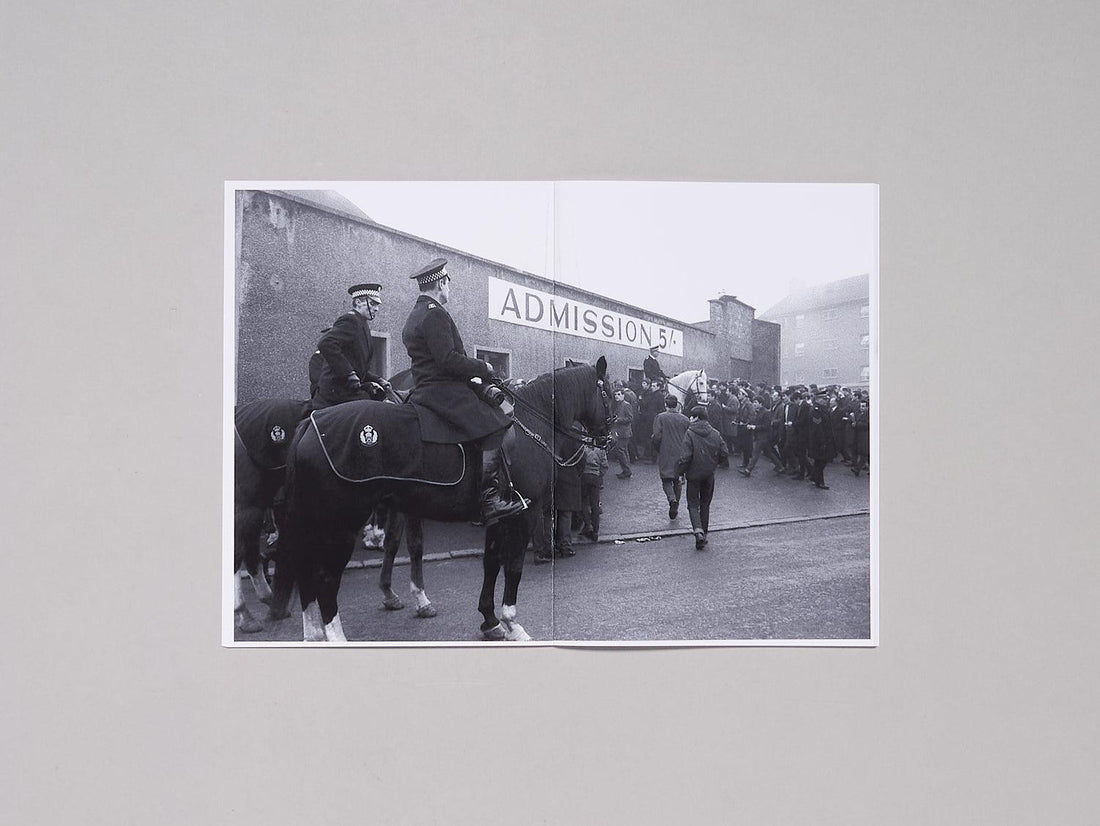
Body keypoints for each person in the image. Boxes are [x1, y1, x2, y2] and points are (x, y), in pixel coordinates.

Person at [401, 257, 525, 526]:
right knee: (496, 423)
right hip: (442, 390)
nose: (449, 289)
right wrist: (484, 366)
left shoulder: (415, 314)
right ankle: (490, 499)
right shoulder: (434, 314)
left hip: (425, 387)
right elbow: (448, 360)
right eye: (448, 283)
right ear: (440, 283)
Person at [312, 284, 391, 409]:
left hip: (350, 390)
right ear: (358, 302)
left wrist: (378, 379)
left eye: (377, 305)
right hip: (338, 392)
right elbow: (326, 343)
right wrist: (348, 373)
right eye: (372, 304)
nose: (376, 309)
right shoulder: (350, 320)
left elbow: (358, 367)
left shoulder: (362, 324)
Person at [676, 406, 729, 550]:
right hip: (709, 474)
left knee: (693, 504)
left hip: (693, 475)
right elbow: (724, 453)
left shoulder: (690, 433)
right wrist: (713, 463)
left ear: (696, 418)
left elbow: (685, 457)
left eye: (691, 417)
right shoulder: (715, 433)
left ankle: (698, 531)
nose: (690, 419)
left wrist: (681, 472)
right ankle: (704, 533)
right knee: (705, 504)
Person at [652, 393, 690, 519]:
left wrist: (657, 448)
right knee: (677, 480)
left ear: (665, 404)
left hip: (666, 451)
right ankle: (676, 504)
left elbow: (657, 436)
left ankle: (672, 500)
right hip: (681, 453)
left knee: (666, 479)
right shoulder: (685, 419)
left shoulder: (660, 417)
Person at [579, 440, 608, 542]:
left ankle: (587, 524)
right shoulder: (600, 450)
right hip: (595, 478)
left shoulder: (583, 449)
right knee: (595, 504)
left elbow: (579, 463)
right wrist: (600, 475)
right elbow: (605, 465)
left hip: (584, 477)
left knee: (583, 502)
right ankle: (595, 530)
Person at [807, 389, 834, 489]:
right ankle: (816, 478)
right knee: (821, 460)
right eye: (824, 398)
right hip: (819, 440)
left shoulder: (822, 408)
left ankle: (816, 479)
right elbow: (817, 427)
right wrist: (822, 441)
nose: (826, 400)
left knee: (820, 461)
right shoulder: (816, 410)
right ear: (818, 399)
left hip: (824, 439)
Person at [609, 388, 634, 478]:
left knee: (620, 450)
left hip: (624, 432)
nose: (617, 396)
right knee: (623, 450)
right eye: (615, 394)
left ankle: (627, 470)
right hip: (620, 431)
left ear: (623, 395)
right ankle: (627, 470)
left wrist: (618, 420)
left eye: (619, 394)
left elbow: (630, 418)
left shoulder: (626, 405)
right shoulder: (618, 405)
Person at [850, 398, 871, 476]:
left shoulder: (869, 415)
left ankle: (857, 469)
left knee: (865, 453)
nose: (861, 408)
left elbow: (867, 425)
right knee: (867, 454)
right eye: (860, 406)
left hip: (866, 435)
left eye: (863, 406)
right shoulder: (860, 414)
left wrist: (856, 424)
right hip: (860, 436)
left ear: (867, 407)